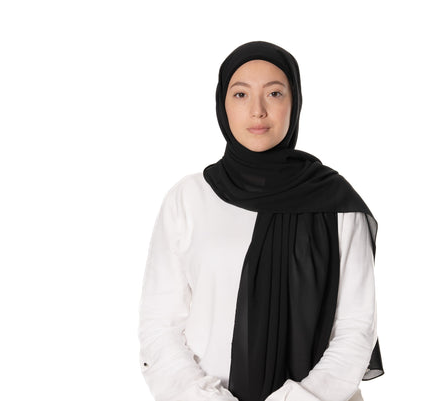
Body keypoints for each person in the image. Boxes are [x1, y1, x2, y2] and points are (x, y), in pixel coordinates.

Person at [138, 41, 384, 401]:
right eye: (241, 94)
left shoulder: (336, 202)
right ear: (222, 104)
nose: (257, 111)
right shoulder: (188, 198)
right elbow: (160, 325)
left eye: (274, 93)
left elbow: (356, 327)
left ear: (294, 103)